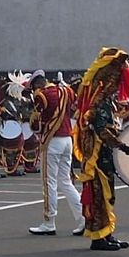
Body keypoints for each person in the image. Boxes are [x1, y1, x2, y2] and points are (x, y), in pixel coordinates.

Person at [73, 47, 129, 251]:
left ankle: (107, 233)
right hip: (98, 158)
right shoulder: (99, 105)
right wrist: (122, 146)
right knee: (100, 196)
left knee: (108, 195)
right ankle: (98, 238)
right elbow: (103, 132)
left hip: (104, 157)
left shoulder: (106, 102)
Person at [27, 70, 84, 236]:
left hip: (52, 141)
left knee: (48, 182)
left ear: (37, 84)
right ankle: (82, 218)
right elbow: (74, 105)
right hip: (67, 139)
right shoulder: (66, 90)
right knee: (65, 182)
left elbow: (35, 125)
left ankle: (49, 221)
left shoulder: (42, 96)